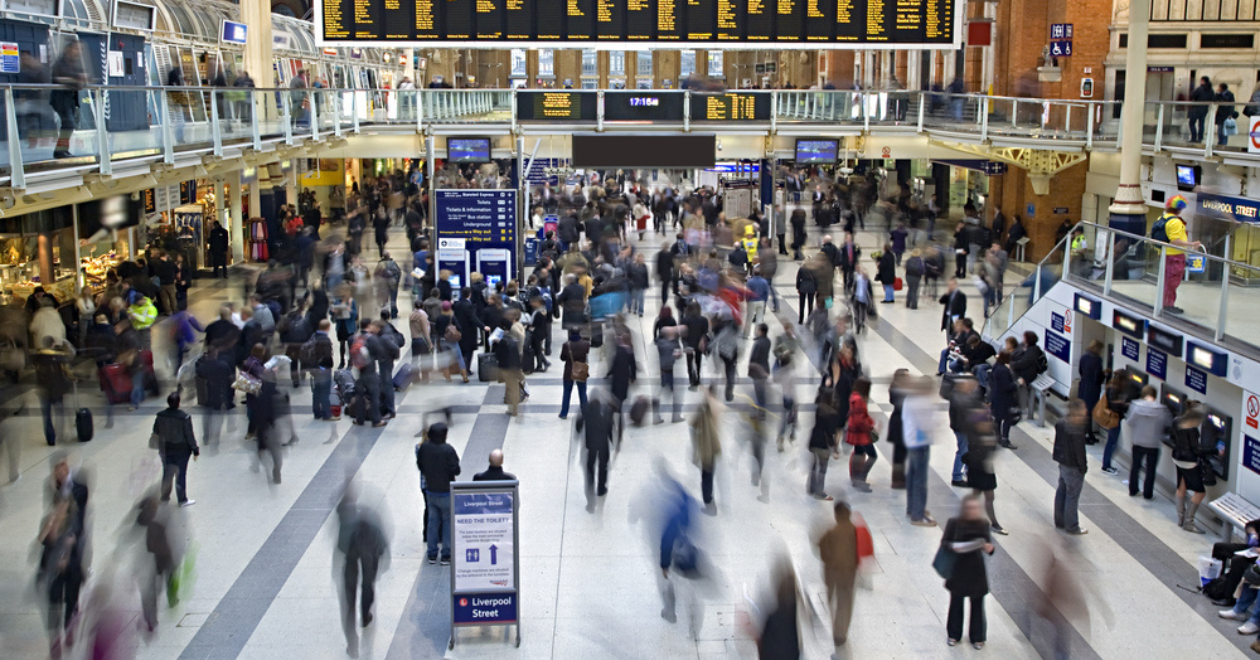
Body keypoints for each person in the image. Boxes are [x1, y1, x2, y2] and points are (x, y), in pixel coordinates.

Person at [335, 484, 389, 658]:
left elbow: (341, 545)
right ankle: (365, 615)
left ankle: (353, 645)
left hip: (352, 556)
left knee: (349, 600)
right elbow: (382, 545)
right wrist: (380, 560)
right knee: (368, 586)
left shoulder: (348, 523)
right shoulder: (374, 524)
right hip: (369, 556)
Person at [942, 495, 996, 649]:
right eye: (970, 508)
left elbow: (988, 546)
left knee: (977, 604)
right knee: (956, 603)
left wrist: (988, 548)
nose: (973, 511)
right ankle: (954, 634)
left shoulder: (983, 524)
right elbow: (945, 542)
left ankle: (977, 637)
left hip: (976, 570)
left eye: (975, 508)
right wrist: (955, 546)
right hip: (958, 569)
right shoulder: (954, 523)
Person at [817, 501, 861, 647]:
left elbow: (822, 550)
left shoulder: (831, 532)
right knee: (845, 603)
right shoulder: (853, 530)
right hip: (848, 575)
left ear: (836, 516)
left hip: (833, 574)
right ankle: (840, 633)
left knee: (834, 601)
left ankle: (835, 625)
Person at [415, 422, 460, 564]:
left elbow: (420, 465)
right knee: (447, 521)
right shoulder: (448, 449)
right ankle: (446, 554)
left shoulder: (424, 448)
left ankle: (432, 553)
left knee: (432, 521)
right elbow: (456, 470)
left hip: (430, 490)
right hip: (446, 491)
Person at [1153, 195, 1201, 314]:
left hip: (1164, 254)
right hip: (1174, 256)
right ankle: (1168, 305)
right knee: (1172, 282)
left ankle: (1164, 303)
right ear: (1179, 209)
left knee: (1166, 281)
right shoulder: (1175, 222)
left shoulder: (1163, 218)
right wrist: (1191, 244)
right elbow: (1175, 241)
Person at [154, 393, 199, 507]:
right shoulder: (184, 417)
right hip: (181, 450)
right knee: (181, 474)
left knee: (167, 473)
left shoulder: (160, 416)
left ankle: (164, 497)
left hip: (165, 448)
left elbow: (156, 431)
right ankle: (182, 499)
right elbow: (189, 435)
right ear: (178, 403)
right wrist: (195, 449)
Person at [1053, 399, 1089, 535]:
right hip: (1073, 466)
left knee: (1061, 491)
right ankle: (1072, 526)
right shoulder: (1076, 428)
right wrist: (1083, 467)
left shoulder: (1061, 422)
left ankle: (1059, 521)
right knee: (1072, 496)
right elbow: (1079, 451)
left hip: (1062, 463)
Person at [1172, 406, 1211, 534]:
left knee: (1181, 486)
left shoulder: (1176, 420)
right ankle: (1189, 522)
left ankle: (1180, 519)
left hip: (1177, 457)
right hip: (1189, 462)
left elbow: (1172, 437)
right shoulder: (1192, 429)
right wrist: (1215, 450)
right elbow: (1196, 449)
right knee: (1200, 492)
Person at [1126, 386, 1168, 500]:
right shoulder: (1161, 409)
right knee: (1151, 470)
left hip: (1138, 441)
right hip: (1153, 444)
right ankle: (1148, 494)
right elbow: (1165, 425)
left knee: (1135, 467)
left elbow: (1129, 422)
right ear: (1155, 395)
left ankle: (1133, 490)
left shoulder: (1135, 406)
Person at [49, 40, 86, 159]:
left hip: (70, 98)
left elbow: (81, 81)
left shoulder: (75, 64)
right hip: (60, 98)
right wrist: (76, 79)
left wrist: (77, 80)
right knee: (69, 123)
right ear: (68, 49)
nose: (78, 52)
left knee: (68, 124)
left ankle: (62, 150)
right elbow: (62, 78)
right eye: (76, 49)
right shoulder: (61, 63)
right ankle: (60, 151)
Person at [578, 391, 615, 508]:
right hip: (603, 444)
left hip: (591, 444)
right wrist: (612, 440)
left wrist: (579, 431)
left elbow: (579, 424)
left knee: (590, 467)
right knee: (603, 466)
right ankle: (601, 488)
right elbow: (610, 427)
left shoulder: (586, 411)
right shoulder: (606, 412)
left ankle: (590, 487)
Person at [33, 337, 72, 446]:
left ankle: (50, 439)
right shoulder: (58, 357)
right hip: (57, 388)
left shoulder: (37, 357)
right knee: (59, 413)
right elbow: (67, 369)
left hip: (43, 389)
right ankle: (60, 435)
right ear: (53, 344)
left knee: (46, 416)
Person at [691, 389, 722, 512]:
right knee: (709, 474)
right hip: (712, 446)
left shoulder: (702, 408)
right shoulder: (711, 407)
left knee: (706, 475)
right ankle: (709, 499)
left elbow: (693, 425)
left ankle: (709, 503)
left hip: (706, 446)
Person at [846, 377, 878, 492]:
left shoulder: (854, 397)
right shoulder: (859, 400)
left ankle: (855, 478)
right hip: (861, 434)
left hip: (855, 432)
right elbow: (860, 420)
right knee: (873, 456)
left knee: (859, 453)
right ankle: (861, 479)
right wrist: (869, 426)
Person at [807, 391, 840, 501]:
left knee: (814, 465)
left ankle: (811, 487)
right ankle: (819, 491)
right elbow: (832, 431)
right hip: (824, 443)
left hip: (814, 439)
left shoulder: (819, 408)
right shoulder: (832, 413)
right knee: (822, 468)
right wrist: (835, 448)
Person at [1100, 371, 1133, 474]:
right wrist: (1125, 405)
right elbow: (1114, 405)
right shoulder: (1115, 389)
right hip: (1114, 419)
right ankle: (1106, 465)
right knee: (1112, 443)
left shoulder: (1112, 386)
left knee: (1112, 442)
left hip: (1113, 418)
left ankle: (1106, 464)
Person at [305, 319, 336, 421]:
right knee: (325, 392)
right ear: (328, 327)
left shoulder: (313, 336)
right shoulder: (325, 340)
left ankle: (317, 412)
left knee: (317, 391)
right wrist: (328, 366)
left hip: (314, 368)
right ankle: (327, 414)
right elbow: (327, 357)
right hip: (323, 369)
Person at [989, 351, 1019, 450]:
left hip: (996, 396)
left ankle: (997, 437)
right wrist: (1016, 384)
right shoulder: (1004, 370)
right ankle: (1005, 439)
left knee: (997, 418)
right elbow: (1007, 386)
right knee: (1007, 419)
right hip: (1004, 399)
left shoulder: (996, 366)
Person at [1078, 340, 1105, 444]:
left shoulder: (1084, 356)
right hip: (1092, 388)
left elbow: (1080, 371)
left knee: (1085, 411)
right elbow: (1098, 377)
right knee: (1089, 412)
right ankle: (1086, 434)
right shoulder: (1097, 360)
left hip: (1084, 385)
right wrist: (1105, 375)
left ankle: (1088, 433)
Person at [559, 329, 590, 419]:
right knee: (582, 393)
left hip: (569, 371)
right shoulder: (586, 344)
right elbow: (586, 354)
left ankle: (564, 413)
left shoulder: (566, 345)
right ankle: (585, 413)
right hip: (581, 371)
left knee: (567, 393)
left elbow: (562, 358)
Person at [1189, 76, 1214, 143]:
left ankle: (1193, 137)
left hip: (1197, 108)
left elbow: (1193, 95)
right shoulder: (1211, 90)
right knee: (1201, 123)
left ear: (1203, 81)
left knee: (1192, 123)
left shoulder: (1200, 89)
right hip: (1205, 108)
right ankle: (1200, 137)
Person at [1216, 82, 1237, 146]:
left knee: (1225, 129)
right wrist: (1217, 94)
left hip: (1226, 113)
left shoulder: (1230, 94)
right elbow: (1214, 100)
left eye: (1219, 87)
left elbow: (1232, 105)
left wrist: (1230, 114)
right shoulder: (1219, 94)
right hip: (1220, 113)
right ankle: (1220, 141)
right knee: (1219, 129)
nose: (1218, 88)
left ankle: (1224, 142)